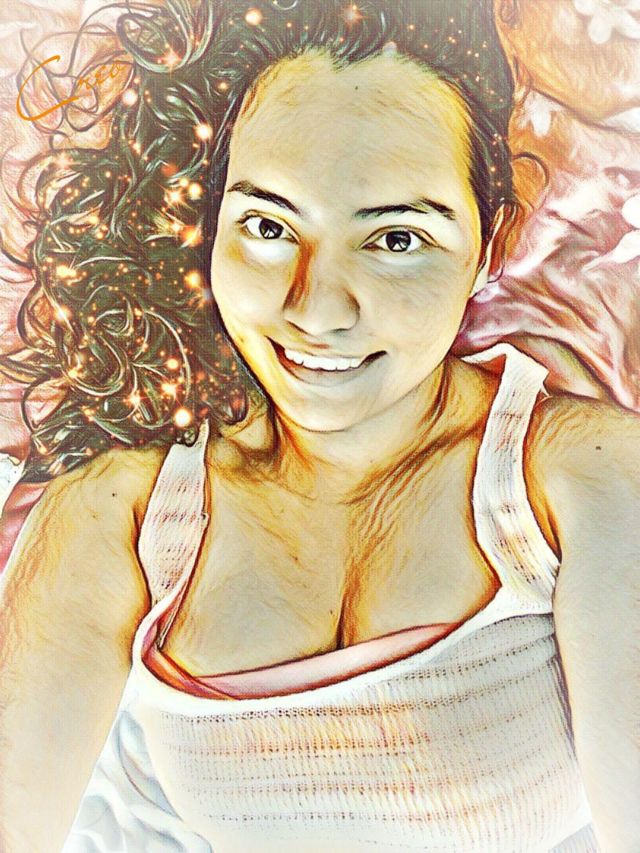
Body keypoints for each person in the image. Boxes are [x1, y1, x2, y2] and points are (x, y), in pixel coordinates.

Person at [0, 0, 638, 850]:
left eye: (396, 239)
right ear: (209, 230)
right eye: (268, 227)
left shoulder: (585, 475)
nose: (316, 308)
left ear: (491, 244)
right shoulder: (119, 513)